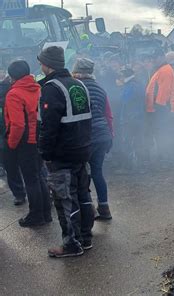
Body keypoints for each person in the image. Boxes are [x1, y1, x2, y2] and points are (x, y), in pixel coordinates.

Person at [37, 46, 94, 257]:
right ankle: (86, 238)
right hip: (82, 150)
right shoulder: (79, 84)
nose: (40, 66)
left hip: (63, 154)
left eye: (42, 62)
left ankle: (71, 244)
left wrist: (45, 153)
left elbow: (48, 126)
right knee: (83, 195)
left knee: (64, 200)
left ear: (47, 64)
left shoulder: (52, 88)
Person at [3, 60, 51, 227]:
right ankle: (46, 212)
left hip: (25, 141)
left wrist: (11, 144)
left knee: (30, 179)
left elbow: (17, 124)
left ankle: (36, 215)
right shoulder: (38, 87)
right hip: (39, 137)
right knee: (39, 176)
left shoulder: (14, 93)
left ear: (12, 75)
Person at [72, 58, 114, 220]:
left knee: (83, 174)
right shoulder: (100, 89)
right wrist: (110, 136)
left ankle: (87, 211)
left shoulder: (76, 88)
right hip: (103, 135)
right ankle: (104, 208)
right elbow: (108, 116)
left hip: (87, 138)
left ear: (77, 73)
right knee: (97, 172)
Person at [145, 48, 174, 167]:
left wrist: (157, 108)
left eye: (154, 58)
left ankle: (166, 160)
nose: (153, 60)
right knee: (160, 135)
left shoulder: (165, 70)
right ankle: (164, 158)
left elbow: (164, 91)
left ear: (161, 57)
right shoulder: (161, 69)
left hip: (161, 109)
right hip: (157, 108)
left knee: (163, 135)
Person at [118, 67, 146, 170]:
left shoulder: (130, 86)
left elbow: (124, 100)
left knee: (127, 142)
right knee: (139, 142)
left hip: (129, 119)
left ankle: (128, 167)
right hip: (139, 118)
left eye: (121, 75)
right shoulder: (139, 84)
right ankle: (141, 167)